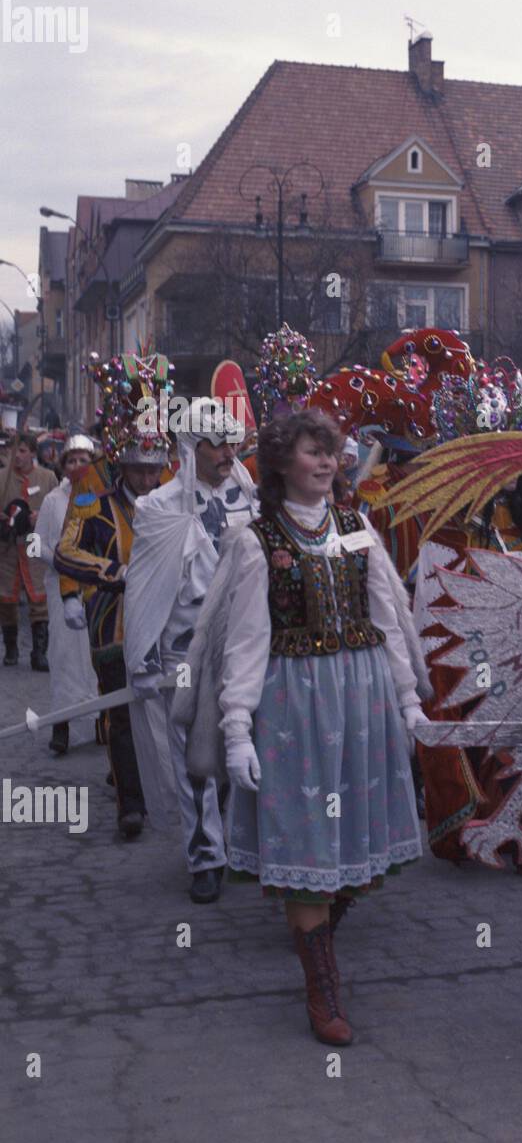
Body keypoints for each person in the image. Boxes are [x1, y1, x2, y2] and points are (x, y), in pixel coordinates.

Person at [181, 409, 430, 1045]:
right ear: (280, 463)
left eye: (331, 451)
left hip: (362, 699)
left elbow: (389, 621)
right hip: (294, 704)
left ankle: (320, 918)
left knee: (348, 838)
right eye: (311, 452)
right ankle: (322, 985)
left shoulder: (358, 529)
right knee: (305, 838)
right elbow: (243, 641)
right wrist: (236, 728)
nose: (325, 461)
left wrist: (408, 699)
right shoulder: (255, 539)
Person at [124, 402, 257, 903]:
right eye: (216, 444)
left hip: (244, 647)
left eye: (232, 442)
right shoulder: (159, 508)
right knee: (194, 762)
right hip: (185, 655)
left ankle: (244, 845)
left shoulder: (252, 498)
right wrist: (142, 655)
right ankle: (206, 857)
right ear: (189, 447)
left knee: (243, 752)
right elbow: (145, 587)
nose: (228, 453)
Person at [54, 434, 166, 837]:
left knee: (168, 711)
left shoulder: (172, 503)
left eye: (154, 468)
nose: (147, 476)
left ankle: (167, 791)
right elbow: (66, 550)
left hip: (166, 626)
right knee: (122, 714)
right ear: (123, 466)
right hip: (115, 623)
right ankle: (131, 804)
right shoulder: (93, 504)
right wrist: (112, 573)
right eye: (139, 468)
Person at [30, 435, 100, 754]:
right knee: (63, 655)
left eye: (83, 460)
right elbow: (37, 542)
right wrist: (57, 559)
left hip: (94, 588)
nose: (77, 466)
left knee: (94, 655)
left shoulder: (101, 498)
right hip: (61, 587)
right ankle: (62, 724)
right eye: (71, 460)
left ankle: (102, 719)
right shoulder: (53, 501)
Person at [1, 433, 58, 670]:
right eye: (16, 450)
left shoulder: (47, 478)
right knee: (5, 599)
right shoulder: (2, 478)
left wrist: (41, 517)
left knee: (39, 597)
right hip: (7, 547)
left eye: (24, 451)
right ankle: (11, 648)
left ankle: (39, 652)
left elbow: (58, 509)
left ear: (33, 453)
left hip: (35, 545)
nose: (19, 456)